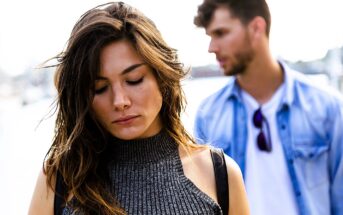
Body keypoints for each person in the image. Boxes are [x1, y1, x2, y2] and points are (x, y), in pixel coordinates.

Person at [28, 2, 250, 215]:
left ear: (162, 78)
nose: (119, 101)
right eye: (100, 88)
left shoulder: (218, 173)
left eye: (134, 80)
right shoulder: (60, 179)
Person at [193, 0, 343, 215]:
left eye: (221, 33)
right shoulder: (208, 115)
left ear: (256, 28)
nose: (212, 48)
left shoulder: (328, 107)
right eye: (210, 36)